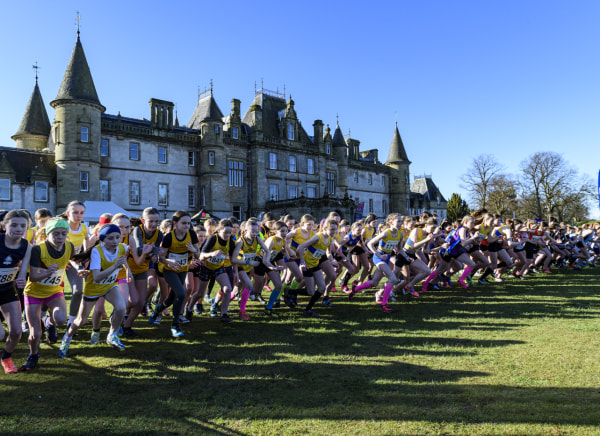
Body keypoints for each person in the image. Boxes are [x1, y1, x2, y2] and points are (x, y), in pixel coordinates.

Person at [58, 224, 128, 356]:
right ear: (102, 240)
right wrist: (115, 266)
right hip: (93, 288)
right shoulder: (97, 251)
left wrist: (128, 271)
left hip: (109, 286)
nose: (115, 241)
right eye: (110, 238)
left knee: (121, 308)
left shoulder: (122, 247)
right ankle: (66, 339)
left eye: (117, 237)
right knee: (80, 320)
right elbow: (97, 277)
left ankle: (112, 335)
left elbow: (126, 257)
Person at [22, 218, 74, 371]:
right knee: (35, 333)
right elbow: (33, 277)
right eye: (56, 234)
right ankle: (33, 355)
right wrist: (47, 272)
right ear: (47, 233)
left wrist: (79, 268)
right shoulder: (38, 249)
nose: (60, 237)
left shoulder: (69, 246)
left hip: (54, 291)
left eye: (63, 233)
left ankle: (48, 322)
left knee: (60, 319)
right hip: (34, 293)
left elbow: (72, 261)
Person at [149, 211, 199, 337]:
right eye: (184, 223)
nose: (187, 226)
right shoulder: (169, 237)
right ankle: (175, 325)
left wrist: (194, 250)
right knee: (181, 294)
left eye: (188, 223)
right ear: (175, 223)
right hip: (169, 270)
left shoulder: (192, 234)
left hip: (183, 270)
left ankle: (158, 310)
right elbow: (161, 257)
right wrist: (168, 261)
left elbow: (199, 255)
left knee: (172, 297)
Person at [0, 210, 32, 373]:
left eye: (22, 226)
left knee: (16, 331)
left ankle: (6, 357)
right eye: (13, 225)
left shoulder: (26, 246)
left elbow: (23, 271)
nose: (18, 229)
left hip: (7, 290)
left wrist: (21, 278)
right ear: (4, 226)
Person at [123, 207, 162, 337]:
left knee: (140, 303)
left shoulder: (159, 234)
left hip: (142, 269)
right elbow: (140, 249)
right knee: (130, 301)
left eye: (156, 221)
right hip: (128, 269)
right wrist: (155, 251)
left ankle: (127, 326)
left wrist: (155, 256)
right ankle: (118, 316)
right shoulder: (137, 231)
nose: (154, 224)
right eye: (151, 221)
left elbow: (154, 251)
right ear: (143, 220)